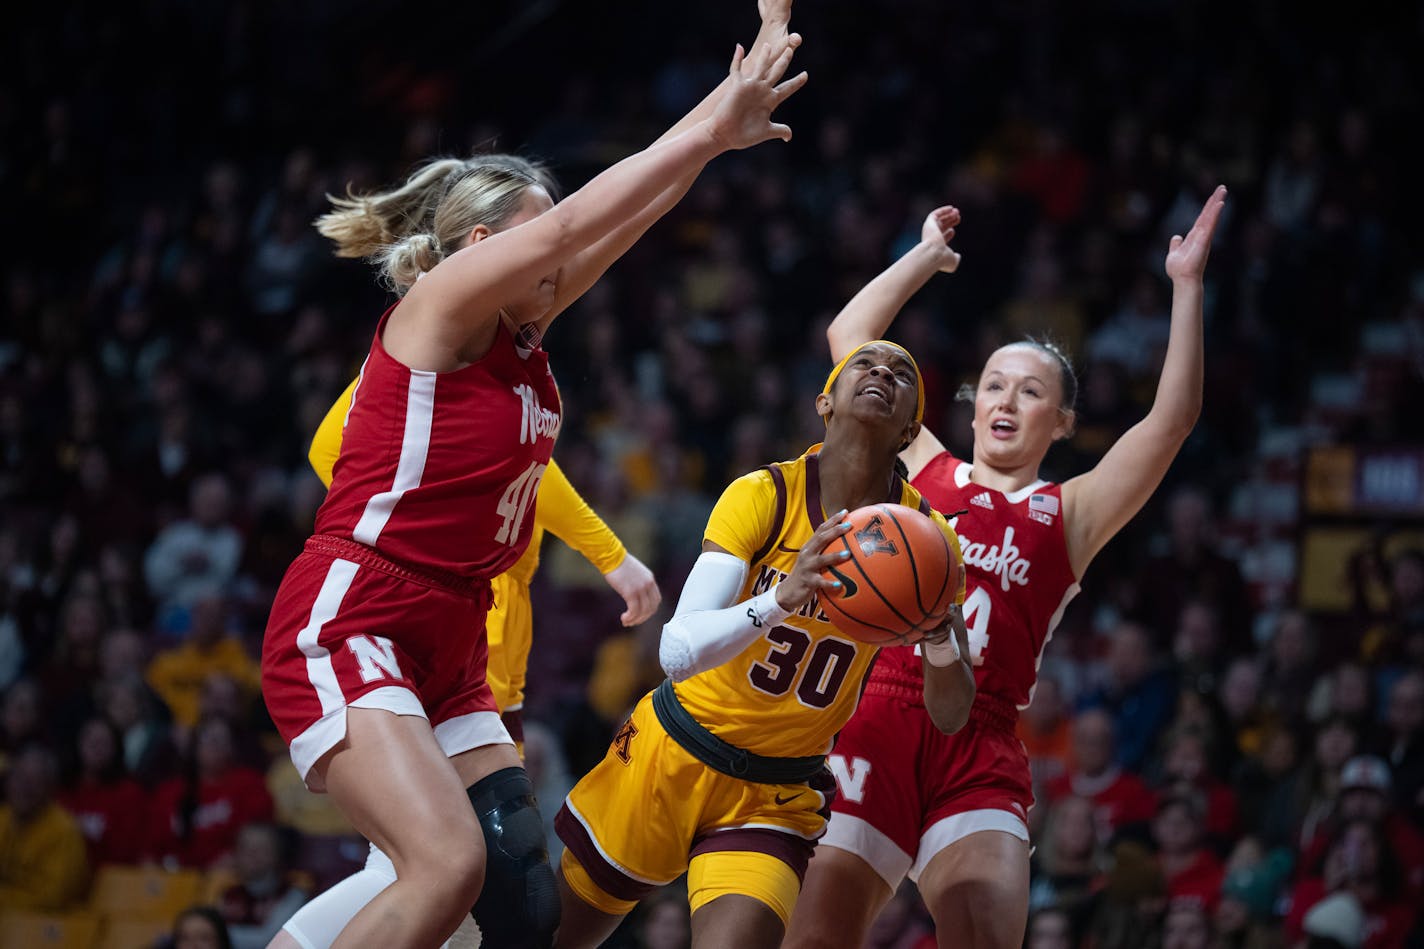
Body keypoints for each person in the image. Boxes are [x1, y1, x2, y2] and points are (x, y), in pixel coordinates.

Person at [258, 10, 807, 948]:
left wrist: (718, 136)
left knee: (519, 907)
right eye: (535, 239)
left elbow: (626, 216)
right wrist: (712, 120)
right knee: (443, 864)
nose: (556, 259)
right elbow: (587, 215)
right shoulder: (434, 312)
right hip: (356, 611)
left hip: (452, 637)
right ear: (478, 246)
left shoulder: (517, 335)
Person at [785, 185, 1227, 949]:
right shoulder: (922, 467)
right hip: (873, 715)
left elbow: (1172, 421)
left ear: (1061, 422)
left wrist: (1185, 287)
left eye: (1032, 391)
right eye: (994, 383)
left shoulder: (1074, 510)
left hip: (982, 739)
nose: (1008, 400)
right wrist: (924, 258)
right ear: (969, 402)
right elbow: (850, 334)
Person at [553, 339, 974, 949]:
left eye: (902, 372)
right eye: (865, 363)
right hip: (670, 754)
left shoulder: (931, 543)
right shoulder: (764, 495)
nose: (882, 370)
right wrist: (781, 598)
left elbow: (952, 712)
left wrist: (939, 639)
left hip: (776, 795)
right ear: (824, 402)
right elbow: (676, 651)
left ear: (911, 430)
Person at [306, 370, 661, 747]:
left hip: (506, 601)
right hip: (470, 600)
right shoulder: (436, 355)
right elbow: (330, 449)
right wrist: (610, 555)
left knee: (492, 777)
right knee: (470, 784)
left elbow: (528, 467)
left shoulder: (504, 352)